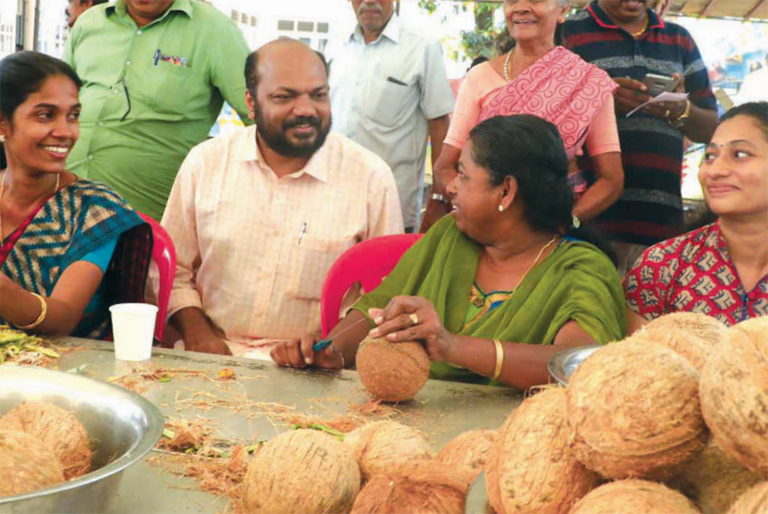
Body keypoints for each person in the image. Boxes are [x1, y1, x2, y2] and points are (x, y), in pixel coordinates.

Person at [271, 115, 627, 389]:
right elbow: (375, 307)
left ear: (506, 192)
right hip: (402, 425)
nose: (451, 187)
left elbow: (575, 364)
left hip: (509, 442)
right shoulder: (449, 236)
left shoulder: (580, 269)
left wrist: (453, 347)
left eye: (463, 175)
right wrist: (330, 351)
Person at [162, 40, 403, 358]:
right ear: (251, 103)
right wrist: (198, 335)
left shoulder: (370, 177)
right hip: (212, 356)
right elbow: (172, 270)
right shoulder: (205, 163)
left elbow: (386, 294)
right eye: (284, 97)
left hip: (319, 372)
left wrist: (330, 352)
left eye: (318, 95)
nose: (305, 110)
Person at [423, 0, 623, 233]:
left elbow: (611, 180)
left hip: (550, 234)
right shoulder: (479, 78)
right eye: (512, 1)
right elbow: (445, 166)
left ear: (563, 10)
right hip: (482, 229)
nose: (521, 7)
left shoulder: (589, 83)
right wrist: (480, 212)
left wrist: (561, 224)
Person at [0, 52, 152, 339]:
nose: (66, 131)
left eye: (73, 116)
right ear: (3, 123)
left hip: (63, 370)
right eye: (45, 115)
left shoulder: (95, 209)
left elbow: (62, 319)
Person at [563, 0, 718, 273]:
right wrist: (600, 100)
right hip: (587, 221)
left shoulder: (679, 38)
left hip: (660, 227)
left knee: (649, 315)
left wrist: (682, 110)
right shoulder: (568, 32)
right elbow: (545, 118)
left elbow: (710, 128)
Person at [63, 0, 252, 220]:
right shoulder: (89, 23)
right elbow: (58, 100)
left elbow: (260, 115)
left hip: (145, 220)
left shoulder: (215, 31)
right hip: (61, 203)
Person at [625, 102, 768, 330]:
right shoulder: (662, 265)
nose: (714, 170)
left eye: (740, 154)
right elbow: (637, 361)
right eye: (710, 156)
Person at [327, 0, 454, 232]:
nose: (369, 1)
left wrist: (438, 198)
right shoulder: (337, 43)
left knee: (386, 268)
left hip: (391, 206)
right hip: (332, 199)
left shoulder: (422, 45)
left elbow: (439, 125)